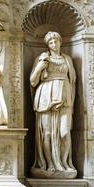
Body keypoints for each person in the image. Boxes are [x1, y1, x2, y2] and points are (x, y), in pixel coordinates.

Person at [30, 31, 77, 179]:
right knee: (47, 133)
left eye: (56, 41)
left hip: (64, 97)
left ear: (60, 42)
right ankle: (49, 163)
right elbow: (32, 81)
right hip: (45, 98)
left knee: (64, 132)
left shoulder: (67, 59)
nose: (54, 44)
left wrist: (68, 99)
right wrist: (39, 67)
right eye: (50, 42)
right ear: (47, 45)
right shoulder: (42, 58)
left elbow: (73, 81)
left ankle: (63, 163)